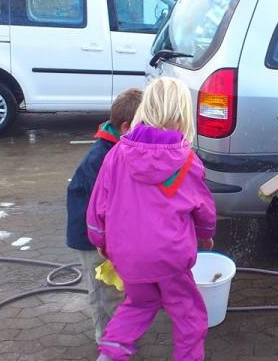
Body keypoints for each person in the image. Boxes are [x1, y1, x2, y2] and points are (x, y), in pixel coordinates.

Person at [87, 77, 217, 361]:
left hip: (128, 257)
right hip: (170, 257)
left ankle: (110, 354)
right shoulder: (188, 161)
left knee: (137, 305)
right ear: (184, 113)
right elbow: (204, 208)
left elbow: (98, 205)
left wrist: (100, 240)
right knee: (189, 315)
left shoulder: (117, 153)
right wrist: (206, 234)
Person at [66, 87, 142, 343]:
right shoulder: (99, 160)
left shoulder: (119, 149)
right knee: (103, 291)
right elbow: (104, 209)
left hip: (109, 234)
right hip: (92, 238)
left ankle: (121, 333)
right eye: (143, 126)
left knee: (117, 288)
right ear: (125, 127)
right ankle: (108, 340)